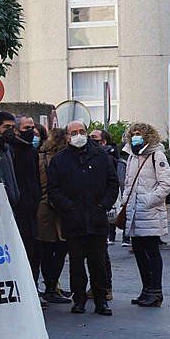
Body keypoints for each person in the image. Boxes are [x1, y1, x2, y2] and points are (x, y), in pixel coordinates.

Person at [47, 122, 119, 315]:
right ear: (67, 137)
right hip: (73, 220)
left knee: (98, 263)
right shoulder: (59, 160)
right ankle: (78, 299)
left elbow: (113, 183)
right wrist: (68, 207)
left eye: (81, 132)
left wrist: (103, 204)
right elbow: (54, 190)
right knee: (76, 264)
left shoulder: (101, 156)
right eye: (74, 133)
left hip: (97, 218)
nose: (78, 135)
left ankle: (101, 300)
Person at [117, 123, 170, 307]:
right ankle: (146, 289)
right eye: (133, 134)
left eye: (139, 134)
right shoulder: (132, 156)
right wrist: (126, 200)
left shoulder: (157, 155)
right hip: (134, 213)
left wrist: (148, 201)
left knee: (152, 252)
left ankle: (156, 292)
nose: (135, 137)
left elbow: (166, 184)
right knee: (139, 253)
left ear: (147, 136)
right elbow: (128, 183)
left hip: (149, 213)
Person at [4, 115, 42, 292]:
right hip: (18, 209)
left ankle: (32, 288)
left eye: (32, 127)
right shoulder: (11, 150)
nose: (32, 131)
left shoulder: (31, 151)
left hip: (32, 209)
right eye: (27, 128)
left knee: (34, 252)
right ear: (17, 130)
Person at [36, 128, 70, 304]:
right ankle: (51, 287)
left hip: (44, 208)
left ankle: (50, 286)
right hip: (60, 209)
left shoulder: (40, 156)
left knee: (47, 250)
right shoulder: (65, 159)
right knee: (60, 250)